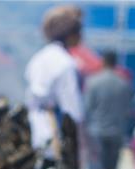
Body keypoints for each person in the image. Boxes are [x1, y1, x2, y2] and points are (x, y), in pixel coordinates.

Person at [23, 5, 85, 156]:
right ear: (70, 34)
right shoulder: (65, 63)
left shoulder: (38, 58)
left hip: (31, 126)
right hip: (53, 130)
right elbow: (72, 110)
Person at [84, 50, 132, 169]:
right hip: (116, 131)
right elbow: (128, 110)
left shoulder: (92, 81)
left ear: (103, 61)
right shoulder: (124, 83)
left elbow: (87, 107)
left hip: (96, 131)